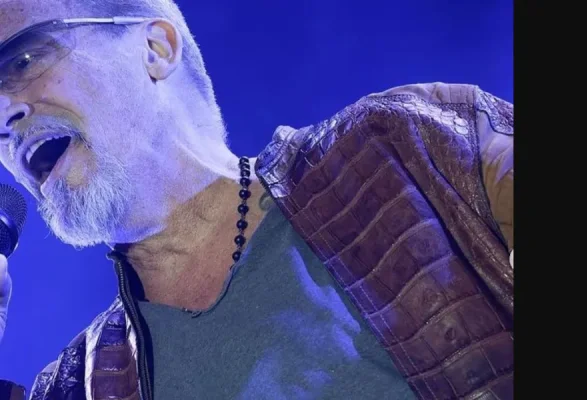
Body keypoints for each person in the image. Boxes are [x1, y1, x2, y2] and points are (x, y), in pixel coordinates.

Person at [0, 1, 514, 399]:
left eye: (23, 60)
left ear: (155, 49)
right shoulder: (78, 386)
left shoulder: (406, 145)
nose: (4, 116)